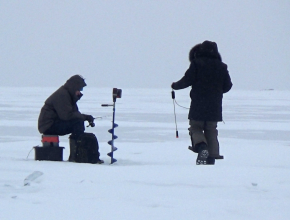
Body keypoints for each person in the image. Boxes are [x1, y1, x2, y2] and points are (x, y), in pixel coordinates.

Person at [171, 40, 232, 165]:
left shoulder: (197, 64)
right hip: (214, 105)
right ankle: (212, 155)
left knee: (196, 127)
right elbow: (227, 86)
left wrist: (175, 86)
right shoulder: (222, 66)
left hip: (198, 103)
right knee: (211, 129)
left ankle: (201, 146)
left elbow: (187, 80)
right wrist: (216, 92)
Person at [38, 75, 103, 163]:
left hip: (52, 123)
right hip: (48, 125)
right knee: (77, 123)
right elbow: (66, 116)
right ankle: (75, 155)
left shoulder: (68, 95)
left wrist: (85, 117)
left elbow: (74, 113)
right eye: (80, 89)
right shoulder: (62, 95)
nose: (80, 92)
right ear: (74, 87)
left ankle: (77, 153)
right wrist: (84, 117)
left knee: (78, 122)